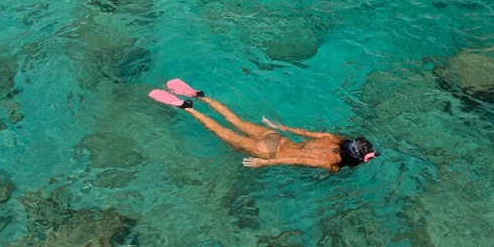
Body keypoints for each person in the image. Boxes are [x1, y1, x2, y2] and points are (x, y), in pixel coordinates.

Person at [154, 82, 378, 172]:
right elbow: (297, 160)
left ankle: (200, 97)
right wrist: (265, 162)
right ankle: (188, 107)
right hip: (270, 152)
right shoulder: (333, 165)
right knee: (222, 132)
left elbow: (305, 133)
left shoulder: (333, 138)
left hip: (278, 138)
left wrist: (277, 125)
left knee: (236, 121)